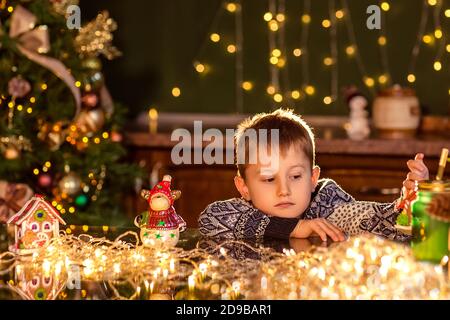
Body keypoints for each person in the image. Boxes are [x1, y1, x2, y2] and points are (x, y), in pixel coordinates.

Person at [198, 109, 429, 242]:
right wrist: (296, 228)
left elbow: (372, 220)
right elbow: (210, 219)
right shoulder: (238, 212)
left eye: (296, 176)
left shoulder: (327, 204)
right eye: (269, 179)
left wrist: (408, 204)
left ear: (312, 178)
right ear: (244, 187)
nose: (284, 190)